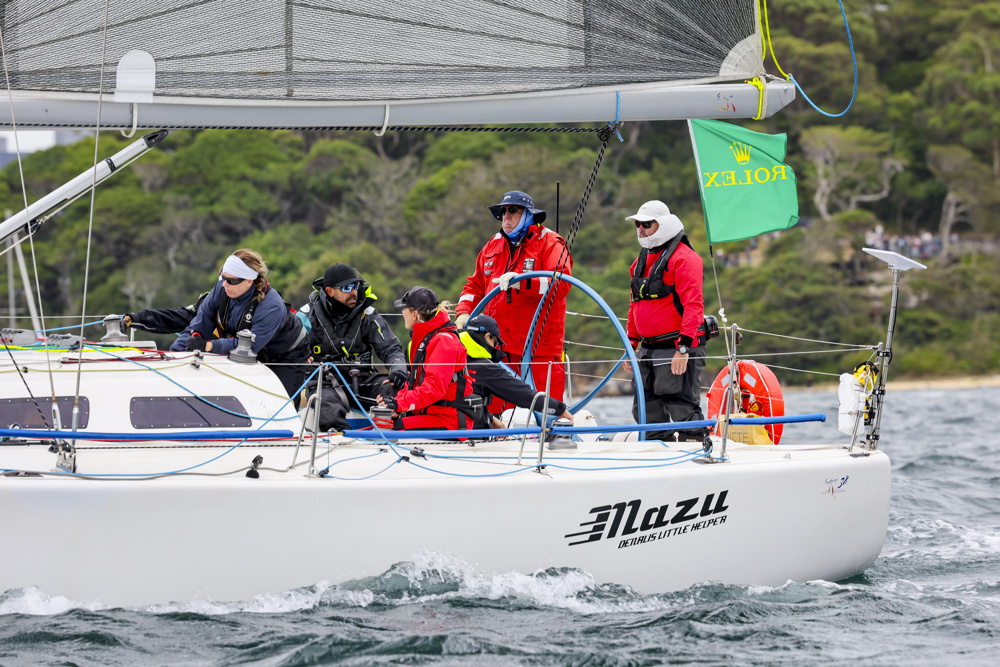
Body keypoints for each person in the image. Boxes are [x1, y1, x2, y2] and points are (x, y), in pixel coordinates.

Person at [455, 190, 573, 406]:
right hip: (498, 351)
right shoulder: (492, 245)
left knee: (546, 415)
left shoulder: (550, 243)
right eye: (503, 211)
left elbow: (562, 284)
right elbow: (474, 285)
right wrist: (463, 312)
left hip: (540, 352)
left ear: (529, 215)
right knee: (497, 418)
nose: (506, 216)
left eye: (513, 210)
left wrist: (522, 281)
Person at [622, 201, 710, 443]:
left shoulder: (685, 259)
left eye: (646, 224)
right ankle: (658, 451)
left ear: (663, 225)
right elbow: (634, 305)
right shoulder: (639, 261)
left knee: (681, 405)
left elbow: (694, 305)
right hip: (648, 348)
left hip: (678, 347)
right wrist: (631, 344)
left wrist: (683, 349)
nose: (640, 229)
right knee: (644, 408)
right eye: (638, 224)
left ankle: (698, 449)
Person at [173, 249, 310, 399]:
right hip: (249, 347)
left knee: (278, 401)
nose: (225, 284)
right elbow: (198, 325)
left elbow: (249, 348)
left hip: (285, 353)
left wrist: (209, 347)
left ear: (249, 281)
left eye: (231, 280)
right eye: (224, 277)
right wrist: (174, 354)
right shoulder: (221, 289)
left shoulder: (271, 306)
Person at [302, 263, 406, 431]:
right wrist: (301, 356)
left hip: (364, 379)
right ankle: (340, 440)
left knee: (394, 388)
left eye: (356, 285)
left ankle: (388, 436)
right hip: (325, 383)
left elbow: (390, 348)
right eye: (347, 287)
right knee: (325, 403)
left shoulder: (368, 313)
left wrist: (398, 368)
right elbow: (291, 345)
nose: (354, 292)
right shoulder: (307, 314)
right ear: (330, 291)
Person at [376, 286, 476, 430]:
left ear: (415, 314)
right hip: (431, 415)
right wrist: (393, 404)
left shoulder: (443, 342)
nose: (402, 313)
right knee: (384, 424)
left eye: (404, 309)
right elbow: (413, 384)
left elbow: (434, 388)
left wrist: (399, 405)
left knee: (392, 429)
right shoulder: (427, 339)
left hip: (449, 420)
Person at [460, 314, 572, 430]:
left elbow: (458, 399)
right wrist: (560, 409)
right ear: (488, 336)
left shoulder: (452, 355)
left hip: (443, 429)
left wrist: (491, 418)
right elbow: (523, 394)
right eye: (496, 342)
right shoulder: (484, 368)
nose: (495, 347)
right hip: (467, 436)